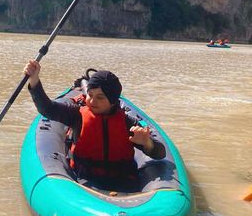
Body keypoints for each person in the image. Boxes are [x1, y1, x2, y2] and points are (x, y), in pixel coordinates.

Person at [23, 60, 166, 192]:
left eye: (100, 97)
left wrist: (147, 142)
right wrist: (34, 81)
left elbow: (160, 153)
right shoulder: (76, 115)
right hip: (88, 180)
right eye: (90, 95)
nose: (92, 101)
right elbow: (47, 109)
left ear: (112, 101)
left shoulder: (127, 123)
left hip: (124, 180)